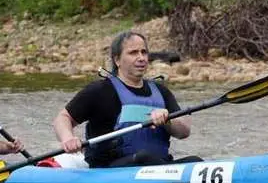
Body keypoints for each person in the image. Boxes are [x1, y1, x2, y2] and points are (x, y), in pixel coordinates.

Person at [52, 30, 201, 168]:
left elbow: (184, 132)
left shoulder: (161, 91)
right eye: (133, 53)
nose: (141, 58)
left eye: (144, 52)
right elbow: (63, 118)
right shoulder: (100, 90)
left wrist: (167, 120)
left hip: (159, 166)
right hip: (110, 169)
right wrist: (68, 138)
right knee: (144, 157)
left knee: (196, 163)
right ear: (117, 60)